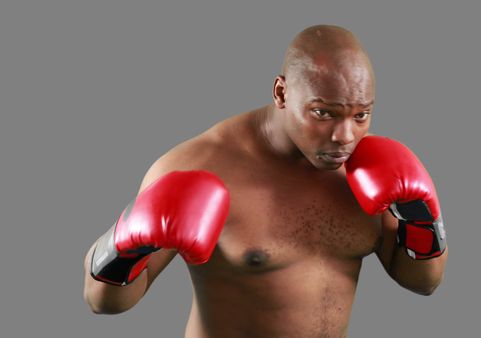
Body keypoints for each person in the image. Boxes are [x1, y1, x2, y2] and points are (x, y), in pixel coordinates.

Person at [83, 24, 448, 338]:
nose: (344, 136)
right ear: (281, 93)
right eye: (323, 113)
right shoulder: (201, 166)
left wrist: (421, 220)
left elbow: (422, 281)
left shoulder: (370, 169)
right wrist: (126, 241)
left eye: (361, 114)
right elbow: (103, 301)